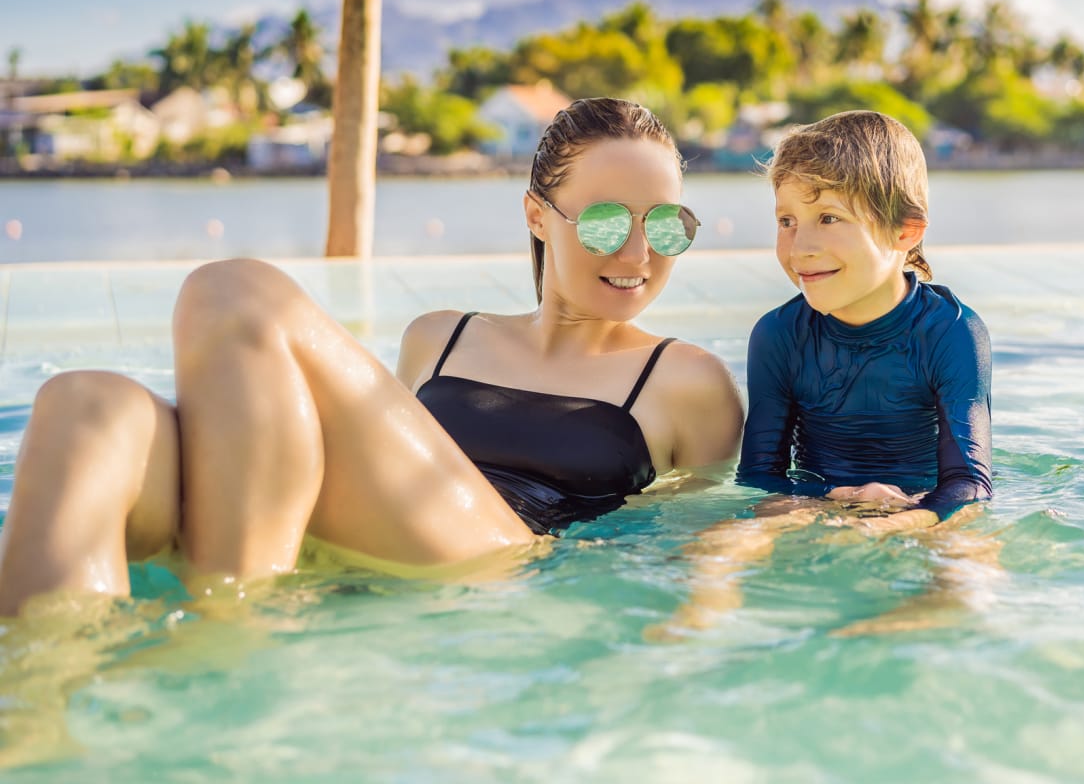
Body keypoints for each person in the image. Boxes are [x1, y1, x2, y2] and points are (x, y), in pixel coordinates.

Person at [0, 98, 744, 616]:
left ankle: (230, 631)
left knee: (232, 289)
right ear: (536, 216)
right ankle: (35, 708)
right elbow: (321, 449)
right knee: (86, 405)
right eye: (611, 222)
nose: (641, 254)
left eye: (669, 226)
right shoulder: (438, 336)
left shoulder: (686, 380)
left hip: (503, 560)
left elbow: (695, 541)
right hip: (361, 535)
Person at [649, 110, 992, 639]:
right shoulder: (779, 335)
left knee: (972, 582)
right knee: (714, 549)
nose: (799, 246)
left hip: (924, 507)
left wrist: (900, 520)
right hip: (812, 503)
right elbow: (760, 472)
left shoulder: (951, 332)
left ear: (906, 231)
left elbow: (969, 484)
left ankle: (861, 646)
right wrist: (812, 508)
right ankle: (688, 638)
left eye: (828, 218)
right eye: (786, 221)